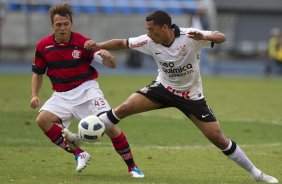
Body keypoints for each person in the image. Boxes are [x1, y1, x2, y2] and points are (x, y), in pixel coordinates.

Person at [84, 10, 279, 183]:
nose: (149, 34)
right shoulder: (149, 41)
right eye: (147, 30)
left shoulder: (190, 36)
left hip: (191, 96)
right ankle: (78, 138)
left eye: (152, 30)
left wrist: (203, 35)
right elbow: (122, 43)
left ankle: (257, 174)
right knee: (123, 109)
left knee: (218, 138)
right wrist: (98, 45)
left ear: (165, 27)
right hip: (163, 88)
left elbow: (221, 37)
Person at [29, 2, 144, 178]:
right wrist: (35, 95)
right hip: (62, 95)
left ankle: (133, 167)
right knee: (43, 120)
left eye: (65, 24)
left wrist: (108, 56)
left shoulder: (83, 43)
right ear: (52, 26)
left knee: (110, 127)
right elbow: (38, 74)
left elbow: (111, 65)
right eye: (58, 25)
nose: (62, 28)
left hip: (87, 91)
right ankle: (79, 154)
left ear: (71, 24)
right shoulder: (43, 47)